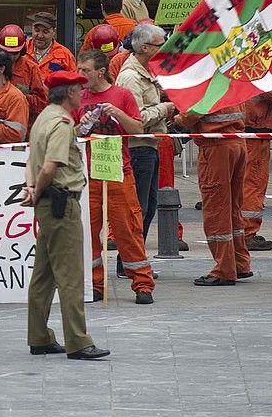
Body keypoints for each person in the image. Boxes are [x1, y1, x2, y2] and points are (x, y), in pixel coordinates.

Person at [22, 70, 109, 360]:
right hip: (61, 203)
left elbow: (31, 160)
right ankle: (78, 340)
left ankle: (39, 336)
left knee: (43, 275)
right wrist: (39, 189)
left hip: (47, 204)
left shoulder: (43, 119)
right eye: (78, 89)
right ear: (69, 92)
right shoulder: (60, 122)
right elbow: (50, 166)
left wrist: (32, 189)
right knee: (70, 275)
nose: (82, 94)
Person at [76, 49, 154, 304]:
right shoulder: (78, 97)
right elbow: (70, 133)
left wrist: (117, 113)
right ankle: (95, 283)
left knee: (127, 229)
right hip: (90, 174)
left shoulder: (122, 95)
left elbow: (138, 129)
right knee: (89, 231)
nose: (80, 75)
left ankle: (142, 282)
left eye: (85, 70)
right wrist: (82, 124)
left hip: (119, 172)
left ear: (100, 71)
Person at [114, 22, 177, 241]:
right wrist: (164, 108)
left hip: (150, 146)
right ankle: (129, 261)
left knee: (148, 206)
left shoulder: (145, 72)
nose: (163, 49)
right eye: (160, 45)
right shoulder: (131, 77)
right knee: (138, 207)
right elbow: (136, 119)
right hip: (138, 149)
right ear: (144, 48)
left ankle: (135, 258)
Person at [179, 102, 251, 286]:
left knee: (217, 208)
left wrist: (176, 117)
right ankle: (239, 263)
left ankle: (224, 269)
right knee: (233, 207)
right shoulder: (230, 80)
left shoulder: (208, 83)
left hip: (216, 147)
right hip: (237, 143)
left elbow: (190, 116)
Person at [240, 86, 272, 251]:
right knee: (253, 183)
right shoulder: (254, 65)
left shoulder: (235, 63)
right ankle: (247, 233)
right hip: (254, 130)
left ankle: (241, 231)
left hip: (244, 129)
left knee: (242, 183)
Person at [0, 24, 48, 124]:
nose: (10, 57)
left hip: (22, 124)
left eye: (14, 53)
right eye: (6, 52)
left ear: (22, 50)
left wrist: (21, 96)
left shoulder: (31, 69)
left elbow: (41, 104)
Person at [27, 12, 77, 77]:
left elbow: (74, 83)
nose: (40, 35)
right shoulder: (22, 51)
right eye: (37, 30)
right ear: (32, 29)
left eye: (45, 32)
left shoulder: (65, 55)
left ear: (54, 32)